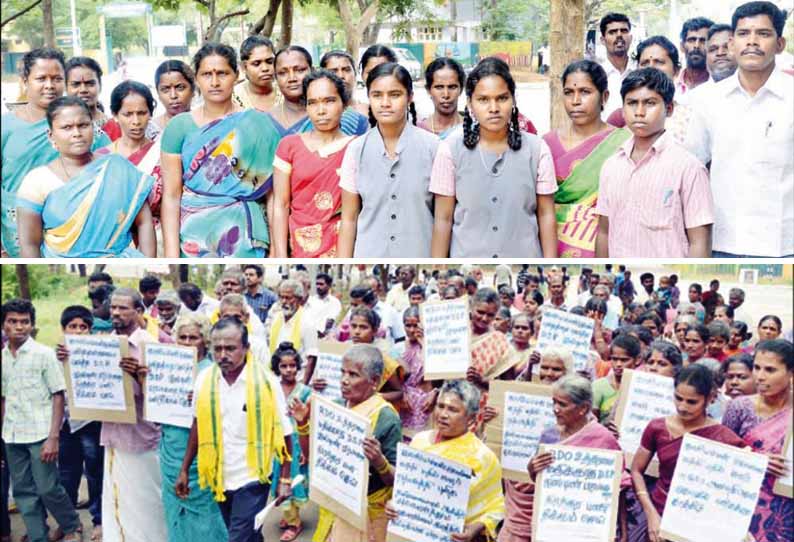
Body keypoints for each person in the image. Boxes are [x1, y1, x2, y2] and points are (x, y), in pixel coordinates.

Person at [685, 1, 792, 257]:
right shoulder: (706, 100)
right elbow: (692, 168)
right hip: (722, 243)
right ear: (732, 43)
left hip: (784, 245)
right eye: (744, 34)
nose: (752, 41)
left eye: (763, 34)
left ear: (780, 44)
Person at [175, 317, 292, 542]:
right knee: (247, 533)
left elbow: (285, 433)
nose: (222, 355)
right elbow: (198, 425)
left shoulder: (267, 383)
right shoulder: (204, 380)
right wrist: (184, 469)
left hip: (254, 476)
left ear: (246, 348)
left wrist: (285, 480)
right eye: (217, 349)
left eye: (230, 348)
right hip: (220, 475)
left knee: (238, 537)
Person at [430, 57, 558, 258]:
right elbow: (443, 219)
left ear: (513, 100)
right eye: (483, 100)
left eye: (502, 98)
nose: (494, 108)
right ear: (470, 104)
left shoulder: (537, 149)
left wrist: (551, 264)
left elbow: (546, 214)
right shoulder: (450, 150)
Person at [161, 42, 280, 257]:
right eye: (207, 74)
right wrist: (172, 254)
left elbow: (273, 196)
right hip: (193, 235)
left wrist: (276, 251)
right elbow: (171, 196)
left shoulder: (258, 124)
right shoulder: (179, 127)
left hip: (245, 235)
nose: (215, 82)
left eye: (223, 73)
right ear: (196, 78)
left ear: (236, 75)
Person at [594, 68, 714, 257]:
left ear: (669, 108)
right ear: (623, 110)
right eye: (632, 103)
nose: (639, 112)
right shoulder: (611, 166)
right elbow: (604, 232)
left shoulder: (689, 168)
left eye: (650, 103)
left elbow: (700, 242)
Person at [16, 96, 156, 257]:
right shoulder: (36, 181)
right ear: (51, 135)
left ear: (93, 127)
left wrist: (147, 261)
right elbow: (29, 244)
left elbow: (144, 222)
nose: (77, 133)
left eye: (83, 125)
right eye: (67, 127)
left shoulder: (118, 168)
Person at [2, 48, 107, 257]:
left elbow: (108, 182)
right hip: (13, 236)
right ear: (25, 80)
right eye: (41, 78)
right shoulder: (6, 127)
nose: (50, 86)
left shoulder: (85, 129)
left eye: (57, 78)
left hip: (72, 236)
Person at [297, 345, 402, 542]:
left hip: (367, 514)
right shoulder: (335, 406)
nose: (344, 380)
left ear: (374, 381)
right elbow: (312, 457)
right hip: (336, 505)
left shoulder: (387, 417)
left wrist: (380, 462)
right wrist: (302, 425)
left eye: (353, 375)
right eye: (342, 372)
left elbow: (396, 481)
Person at [630, 364, 745, 542]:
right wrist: (650, 512)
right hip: (659, 513)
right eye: (678, 398)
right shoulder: (657, 427)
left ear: (710, 399)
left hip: (699, 523)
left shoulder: (723, 437)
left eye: (692, 402)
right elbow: (636, 470)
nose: (682, 407)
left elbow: (739, 485)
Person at [338, 63, 440, 257]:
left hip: (419, 252)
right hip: (369, 253)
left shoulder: (433, 148)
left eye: (395, 95)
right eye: (377, 95)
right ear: (369, 98)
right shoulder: (356, 150)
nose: (385, 103)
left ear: (409, 97)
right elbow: (349, 218)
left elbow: (442, 218)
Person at [1, 299, 83, 542]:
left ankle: (71, 524)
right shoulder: (2, 358)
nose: (19, 327)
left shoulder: (44, 355)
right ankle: (39, 536)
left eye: (24, 322)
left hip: (41, 434)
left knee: (48, 488)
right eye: (13, 322)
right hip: (12, 435)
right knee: (24, 491)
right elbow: (3, 398)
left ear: (32, 325)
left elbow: (59, 395)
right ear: (3, 325)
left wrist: (53, 437)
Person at [386, 380, 505, 541]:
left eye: (453, 409)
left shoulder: (482, 456)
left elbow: (495, 507)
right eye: (440, 406)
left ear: (470, 418)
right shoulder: (419, 441)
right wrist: (393, 505)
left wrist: (474, 529)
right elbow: (405, 489)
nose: (443, 415)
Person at [149, 312, 227, 542]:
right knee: (174, 507)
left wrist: (201, 401)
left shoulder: (212, 373)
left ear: (205, 341)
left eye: (193, 338)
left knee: (203, 511)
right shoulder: (166, 367)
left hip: (199, 454)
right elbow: (157, 416)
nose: (187, 343)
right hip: (169, 448)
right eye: (182, 337)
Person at [99, 288, 169, 542]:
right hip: (113, 436)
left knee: (146, 501)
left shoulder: (150, 346)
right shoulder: (104, 344)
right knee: (116, 499)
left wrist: (138, 376)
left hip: (141, 437)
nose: (115, 312)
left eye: (123, 308)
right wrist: (70, 360)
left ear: (139, 312)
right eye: (113, 307)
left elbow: (163, 399)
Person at [544, 60, 630, 258]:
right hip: (553, 246)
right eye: (568, 92)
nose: (575, 100)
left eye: (585, 92)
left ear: (604, 97)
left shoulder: (624, 143)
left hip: (608, 245)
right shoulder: (545, 145)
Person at [528, 375, 631, 533]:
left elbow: (619, 486)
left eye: (562, 404)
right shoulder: (548, 436)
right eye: (554, 402)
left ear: (583, 408)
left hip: (589, 524)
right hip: (554, 521)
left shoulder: (603, 438)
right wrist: (532, 468)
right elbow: (541, 481)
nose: (555, 409)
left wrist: (623, 529)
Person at [271, 70, 356, 257]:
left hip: (343, 244)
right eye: (313, 103)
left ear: (344, 103)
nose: (321, 110)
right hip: (299, 243)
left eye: (329, 101)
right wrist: (281, 255)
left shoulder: (357, 147)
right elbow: (281, 204)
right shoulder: (289, 146)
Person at [498, 347, 573, 542]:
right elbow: (498, 436)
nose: (549, 373)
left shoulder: (575, 406)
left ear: (568, 373)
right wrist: (493, 418)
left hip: (550, 491)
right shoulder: (522, 397)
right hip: (517, 483)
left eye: (556, 370)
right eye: (545, 367)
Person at [722, 339, 793, 542]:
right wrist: (756, 461)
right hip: (740, 506)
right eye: (757, 368)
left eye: (770, 370)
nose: (760, 377)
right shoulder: (740, 408)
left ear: (791, 373)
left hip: (785, 515)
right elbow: (720, 457)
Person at [53, 306, 103, 541]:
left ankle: (98, 520)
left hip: (91, 423)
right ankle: (69, 522)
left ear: (90, 331)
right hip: (65, 424)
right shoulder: (55, 357)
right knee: (66, 475)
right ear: (64, 329)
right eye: (72, 326)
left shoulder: (97, 353)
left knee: (94, 473)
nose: (78, 331)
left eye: (83, 327)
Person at [608, 36, 697, 145]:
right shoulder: (620, 117)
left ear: (676, 71)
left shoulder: (691, 117)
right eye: (645, 63)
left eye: (659, 62)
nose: (651, 68)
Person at [269, 343, 311, 542]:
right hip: (277, 441)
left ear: (298, 367)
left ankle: (294, 523)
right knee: (278, 478)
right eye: (284, 366)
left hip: (295, 443)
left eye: (292, 366)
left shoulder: (305, 391)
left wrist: (305, 447)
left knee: (293, 480)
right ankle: (288, 515)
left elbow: (309, 420)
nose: (288, 370)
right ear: (277, 367)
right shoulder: (273, 388)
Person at [266, 280, 319, 385]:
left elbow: (312, 357)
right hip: (276, 380)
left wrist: (303, 386)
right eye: (281, 297)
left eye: (288, 298)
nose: (284, 301)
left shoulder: (307, 321)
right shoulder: (276, 318)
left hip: (297, 380)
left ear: (299, 299)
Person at [308, 51, 369, 136]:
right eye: (333, 71)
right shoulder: (314, 114)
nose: (341, 76)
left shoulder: (369, 111)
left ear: (355, 74)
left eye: (346, 70)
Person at [398, 305, 434, 436]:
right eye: (408, 325)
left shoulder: (432, 349)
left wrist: (423, 343)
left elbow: (438, 376)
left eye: (416, 326)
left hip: (426, 406)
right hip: (405, 405)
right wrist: (401, 393)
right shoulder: (398, 349)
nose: (412, 330)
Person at [592, 334, 642, 422]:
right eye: (614, 359)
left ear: (637, 360)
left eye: (624, 360)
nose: (618, 364)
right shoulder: (598, 387)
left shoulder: (641, 388)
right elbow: (592, 422)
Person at [64, 56, 114, 141]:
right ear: (65, 87)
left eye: (90, 83)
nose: (83, 90)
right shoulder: (57, 127)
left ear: (100, 86)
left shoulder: (114, 128)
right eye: (76, 84)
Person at [268, 46, 312, 137]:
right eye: (283, 73)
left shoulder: (327, 115)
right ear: (275, 77)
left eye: (299, 70)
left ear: (312, 71)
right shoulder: (266, 121)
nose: (292, 78)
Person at [418, 58, 465, 139]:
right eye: (439, 87)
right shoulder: (419, 131)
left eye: (452, 87)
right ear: (428, 90)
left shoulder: (471, 130)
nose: (446, 95)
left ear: (460, 89)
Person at [599, 12, 634, 119]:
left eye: (624, 31)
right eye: (612, 32)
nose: (619, 35)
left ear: (631, 38)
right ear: (603, 40)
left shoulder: (642, 71)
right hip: (605, 135)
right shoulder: (595, 76)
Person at [233, 36, 280, 112]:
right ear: (244, 67)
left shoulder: (285, 93)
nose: (265, 68)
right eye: (256, 64)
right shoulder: (233, 98)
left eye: (270, 62)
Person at [354, 45, 398, 116]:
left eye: (383, 71)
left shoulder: (408, 111)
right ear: (362, 75)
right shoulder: (354, 116)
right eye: (370, 72)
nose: (376, 77)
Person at [676, 17, 714, 95]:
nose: (696, 45)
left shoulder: (720, 85)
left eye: (703, 41)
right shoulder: (672, 86)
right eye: (691, 40)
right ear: (682, 46)